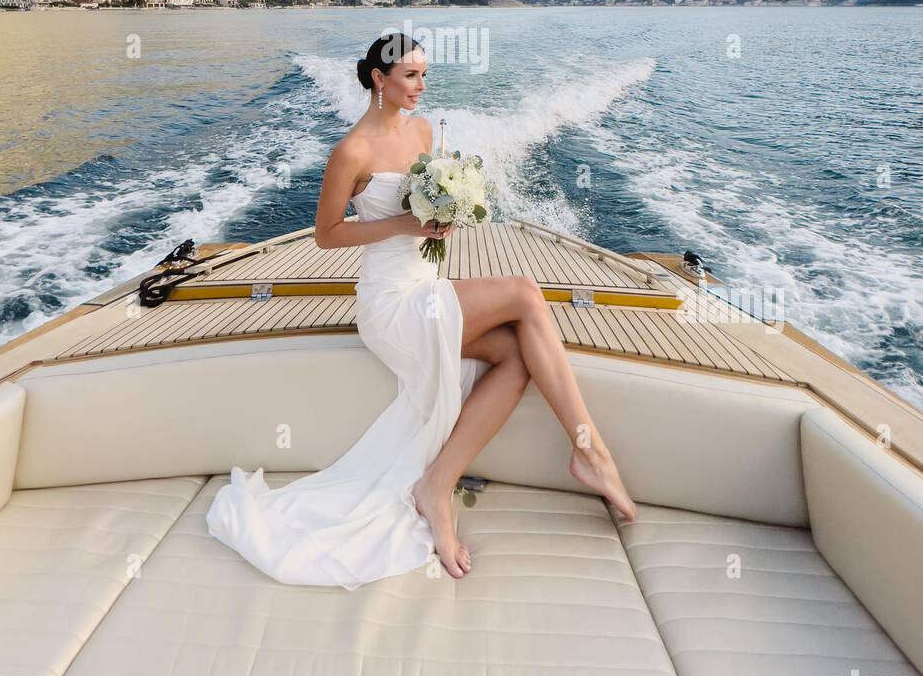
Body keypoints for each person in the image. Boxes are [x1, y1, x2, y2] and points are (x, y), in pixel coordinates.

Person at [205, 32, 635, 589]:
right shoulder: (352, 150)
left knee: (515, 356)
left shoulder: (426, 131)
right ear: (378, 78)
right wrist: (407, 225)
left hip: (428, 282)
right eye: (410, 76)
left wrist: (445, 215)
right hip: (391, 304)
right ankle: (593, 454)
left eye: (424, 75)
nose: (421, 86)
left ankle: (436, 484)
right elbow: (326, 236)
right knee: (526, 293)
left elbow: (427, 204)